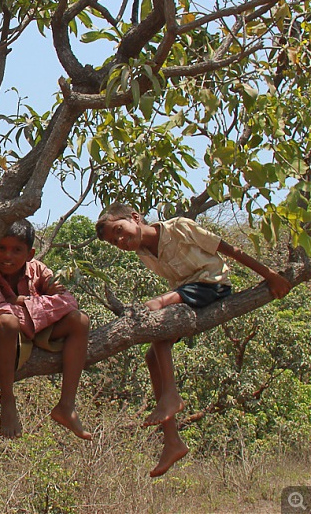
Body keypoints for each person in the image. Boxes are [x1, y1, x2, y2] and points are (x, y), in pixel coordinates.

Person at [95, 202, 291, 477]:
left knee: (155, 308)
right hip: (188, 296)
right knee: (152, 354)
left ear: (135, 218)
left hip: (213, 285)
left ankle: (171, 395)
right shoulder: (144, 253)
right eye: (115, 242)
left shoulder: (179, 227)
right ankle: (172, 440)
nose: (121, 240)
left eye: (120, 230)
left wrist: (269, 274)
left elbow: (227, 249)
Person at [0, 219, 92, 440]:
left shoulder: (39, 269)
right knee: (8, 322)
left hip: (35, 331)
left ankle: (67, 405)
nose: (7, 256)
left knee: (80, 320)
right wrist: (37, 306)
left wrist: (21, 300)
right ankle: (7, 400)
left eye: (16, 250)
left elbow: (69, 302)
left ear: (30, 254)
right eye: (1, 248)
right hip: (2, 337)